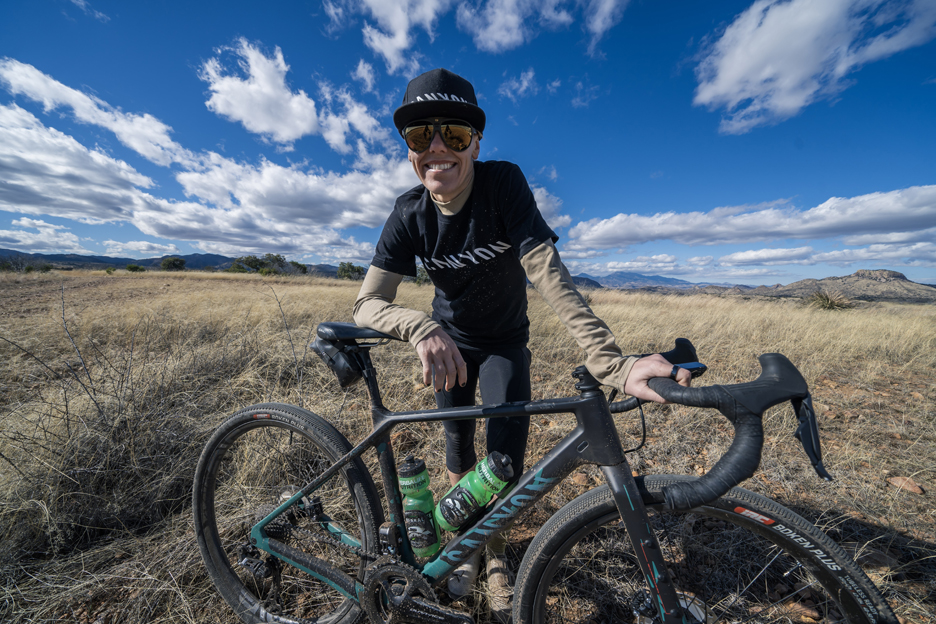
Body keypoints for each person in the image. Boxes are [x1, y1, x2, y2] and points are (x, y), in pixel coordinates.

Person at [353, 68, 690, 621]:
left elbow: (546, 270)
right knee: (460, 459)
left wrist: (609, 361)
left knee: (503, 464)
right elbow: (367, 302)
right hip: (452, 347)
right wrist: (420, 326)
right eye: (419, 137)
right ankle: (472, 551)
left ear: (476, 144)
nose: (437, 149)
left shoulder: (503, 184)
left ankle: (495, 560)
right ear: (409, 150)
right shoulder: (407, 213)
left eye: (454, 136)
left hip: (506, 343)